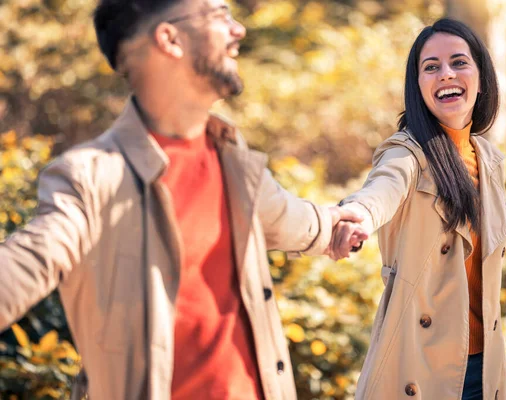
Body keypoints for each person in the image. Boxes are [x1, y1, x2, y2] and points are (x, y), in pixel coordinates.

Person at [0, 0, 367, 399]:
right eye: (219, 14)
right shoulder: (91, 177)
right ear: (170, 38)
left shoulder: (234, 161)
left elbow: (291, 218)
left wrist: (336, 225)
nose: (238, 29)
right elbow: (29, 259)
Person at [330, 18, 506, 400]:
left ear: (482, 76)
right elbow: (383, 188)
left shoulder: (490, 160)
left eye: (458, 62)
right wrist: (358, 214)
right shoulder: (407, 152)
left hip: (485, 365)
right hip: (422, 367)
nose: (445, 73)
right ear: (418, 86)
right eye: (431, 67)